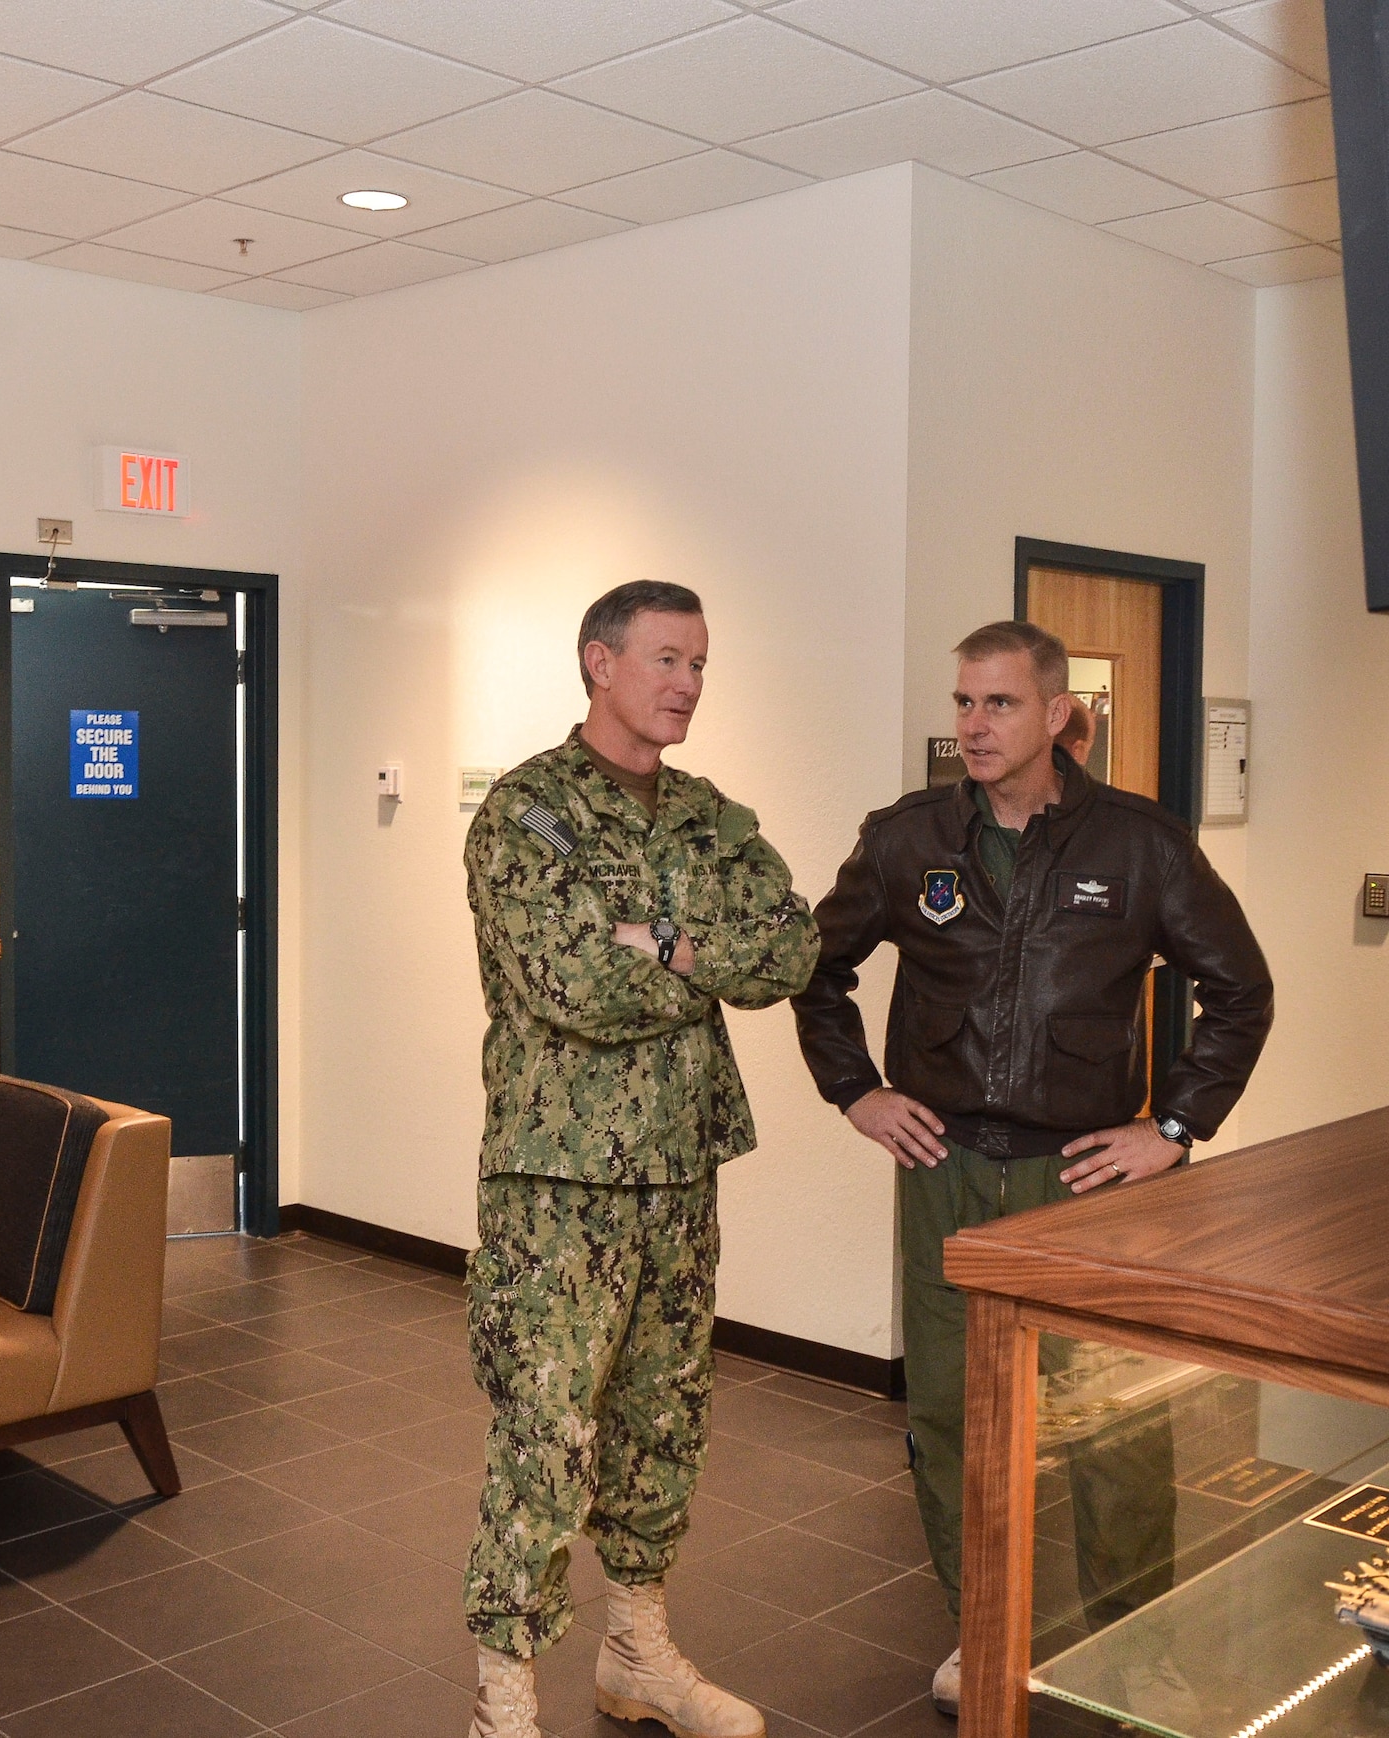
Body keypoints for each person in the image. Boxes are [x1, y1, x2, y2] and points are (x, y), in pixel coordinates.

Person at [791, 620, 1273, 1716]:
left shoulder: (1139, 845)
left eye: (998, 704)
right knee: (952, 1414)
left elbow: (1239, 987)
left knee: (1113, 1421)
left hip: (1084, 1183)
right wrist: (855, 1090)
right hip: (947, 1170)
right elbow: (814, 973)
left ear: (1055, 714)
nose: (971, 725)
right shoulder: (908, 839)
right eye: (962, 702)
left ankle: (1134, 1642)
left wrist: (1175, 1125)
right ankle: (980, 1628)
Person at [461, 580, 821, 1738]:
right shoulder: (523, 813)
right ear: (597, 662)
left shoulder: (707, 817)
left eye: (700, 663)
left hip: (679, 1167)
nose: (686, 685)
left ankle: (634, 1650)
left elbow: (791, 947)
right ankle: (503, 1696)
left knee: (662, 1419)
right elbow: (570, 987)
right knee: (545, 1431)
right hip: (555, 1182)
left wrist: (659, 938)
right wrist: (697, 962)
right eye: (666, 659)